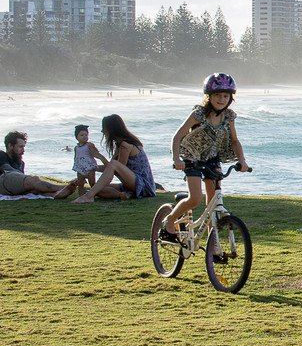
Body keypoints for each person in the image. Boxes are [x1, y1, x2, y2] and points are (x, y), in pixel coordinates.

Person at [160, 73, 250, 240]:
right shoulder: (199, 114)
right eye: (217, 95)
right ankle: (170, 220)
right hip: (192, 157)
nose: (222, 99)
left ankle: (213, 241)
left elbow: (235, 141)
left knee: (213, 203)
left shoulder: (228, 116)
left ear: (230, 98)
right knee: (195, 199)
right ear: (208, 96)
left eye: (226, 96)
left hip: (212, 157)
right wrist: (176, 160)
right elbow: (177, 136)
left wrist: (242, 161)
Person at [72, 115, 157, 203]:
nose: (102, 131)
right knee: (97, 189)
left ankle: (88, 197)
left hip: (143, 185)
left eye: (104, 128)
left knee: (113, 164)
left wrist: (100, 157)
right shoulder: (120, 144)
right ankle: (123, 195)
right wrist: (91, 167)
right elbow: (110, 168)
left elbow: (115, 169)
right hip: (130, 184)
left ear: (111, 129)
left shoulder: (125, 145)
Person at [0, 131, 76, 199]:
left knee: (33, 189)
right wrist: (28, 180)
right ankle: (61, 187)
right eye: (20, 147)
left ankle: (54, 195)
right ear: (10, 146)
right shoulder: (2, 155)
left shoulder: (21, 163)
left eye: (24, 147)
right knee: (33, 180)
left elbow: (20, 180)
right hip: (3, 180)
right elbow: (8, 170)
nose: (23, 150)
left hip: (9, 187)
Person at [71, 124, 109, 196]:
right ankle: (81, 195)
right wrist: (76, 165)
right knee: (80, 183)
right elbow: (76, 157)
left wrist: (94, 150)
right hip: (80, 168)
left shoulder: (89, 145)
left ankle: (93, 194)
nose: (84, 137)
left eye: (86, 135)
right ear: (77, 137)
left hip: (89, 167)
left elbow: (96, 152)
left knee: (92, 182)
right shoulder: (76, 147)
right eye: (82, 135)